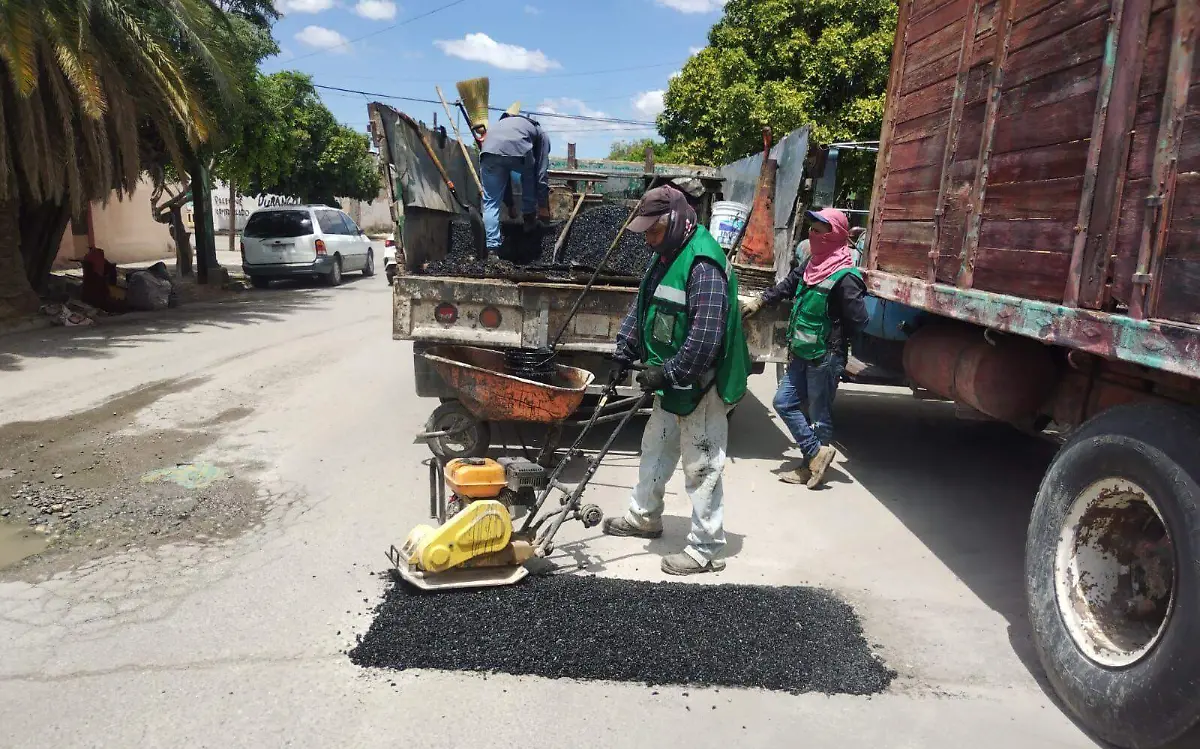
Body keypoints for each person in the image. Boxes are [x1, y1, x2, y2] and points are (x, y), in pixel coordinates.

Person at [603, 185, 752, 575]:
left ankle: (705, 548)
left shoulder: (703, 264)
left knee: (701, 462)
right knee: (656, 445)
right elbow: (644, 307)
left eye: (653, 231)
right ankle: (644, 516)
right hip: (675, 377)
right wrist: (623, 351)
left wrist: (665, 373)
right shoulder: (665, 255)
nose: (648, 240)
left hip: (702, 382)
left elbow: (705, 339)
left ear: (675, 222)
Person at [742, 208, 868, 489]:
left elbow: (859, 320)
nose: (813, 234)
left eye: (820, 230)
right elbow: (788, 285)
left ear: (834, 235)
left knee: (819, 414)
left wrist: (837, 344)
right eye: (811, 229)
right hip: (800, 351)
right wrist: (761, 301)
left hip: (825, 356)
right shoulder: (813, 262)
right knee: (783, 403)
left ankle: (810, 466)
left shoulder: (846, 277)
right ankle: (815, 454)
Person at [472, 106, 551, 252]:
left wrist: (510, 205)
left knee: (490, 202)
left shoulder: (498, 126)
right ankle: (529, 221)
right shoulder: (540, 132)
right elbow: (541, 174)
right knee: (530, 175)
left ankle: (492, 250)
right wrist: (542, 205)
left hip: (488, 153)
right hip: (519, 151)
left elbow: (503, 176)